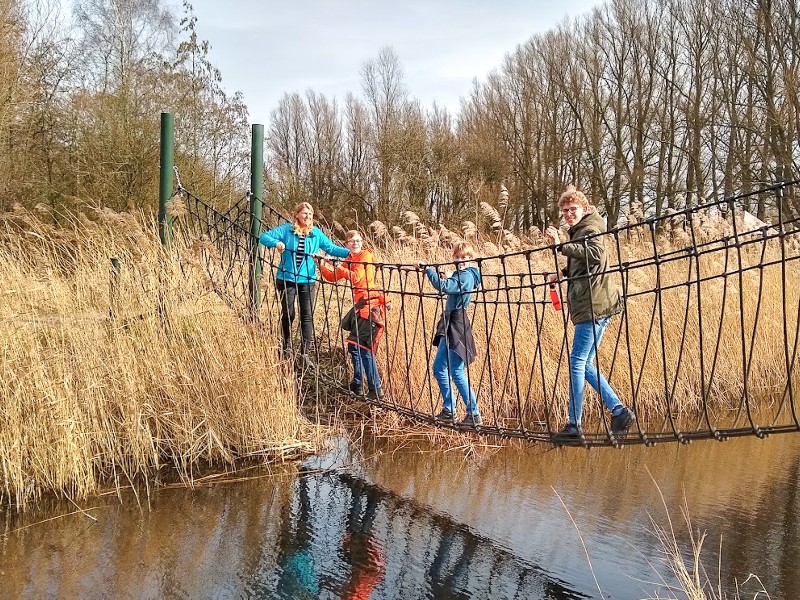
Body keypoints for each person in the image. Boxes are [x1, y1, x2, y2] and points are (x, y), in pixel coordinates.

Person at [545, 185, 636, 437]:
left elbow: (595, 254)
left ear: (583, 209)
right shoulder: (582, 230)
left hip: (593, 306)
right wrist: (562, 273)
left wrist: (560, 246)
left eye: (572, 210)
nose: (568, 215)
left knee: (576, 363)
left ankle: (575, 424)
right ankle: (618, 411)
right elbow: (586, 262)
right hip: (595, 304)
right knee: (583, 363)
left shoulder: (590, 229)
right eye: (564, 211)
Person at [259, 202, 350, 358]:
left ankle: (305, 353)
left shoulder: (315, 233)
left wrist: (352, 252)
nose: (307, 217)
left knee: (307, 315)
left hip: (307, 280)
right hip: (286, 278)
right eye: (304, 213)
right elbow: (263, 237)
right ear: (297, 215)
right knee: (289, 313)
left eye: (310, 214)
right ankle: (286, 346)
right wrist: (277, 243)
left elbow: (331, 248)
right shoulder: (286, 230)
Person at [417, 242, 483, 427]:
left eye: (465, 258)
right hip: (451, 323)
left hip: (457, 325)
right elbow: (451, 284)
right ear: (453, 257)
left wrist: (428, 271)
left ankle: (472, 413)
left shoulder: (466, 276)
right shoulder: (461, 275)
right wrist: (447, 276)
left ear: (471, 259)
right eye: (457, 257)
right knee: (441, 367)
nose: (460, 261)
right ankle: (451, 410)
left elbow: (444, 287)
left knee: (454, 370)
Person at [320, 230, 388, 400]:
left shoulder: (365, 256)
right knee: (354, 346)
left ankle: (375, 389)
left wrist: (337, 266)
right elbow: (332, 277)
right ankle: (357, 383)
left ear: (361, 242)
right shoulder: (349, 259)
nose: (355, 243)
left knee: (364, 348)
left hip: (371, 307)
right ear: (347, 244)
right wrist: (320, 263)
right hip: (361, 306)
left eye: (358, 240)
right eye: (352, 241)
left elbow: (357, 278)